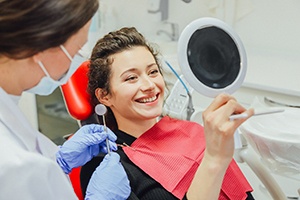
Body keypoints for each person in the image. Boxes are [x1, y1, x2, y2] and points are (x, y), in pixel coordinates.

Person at [82, 27, 256, 200]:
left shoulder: (194, 131)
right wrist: (214, 160)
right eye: (131, 78)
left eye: (153, 72)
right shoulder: (105, 168)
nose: (149, 85)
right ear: (104, 96)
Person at [0, 1, 130, 200]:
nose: (77, 61)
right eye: (77, 49)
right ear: (42, 45)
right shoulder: (13, 166)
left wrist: (59, 159)